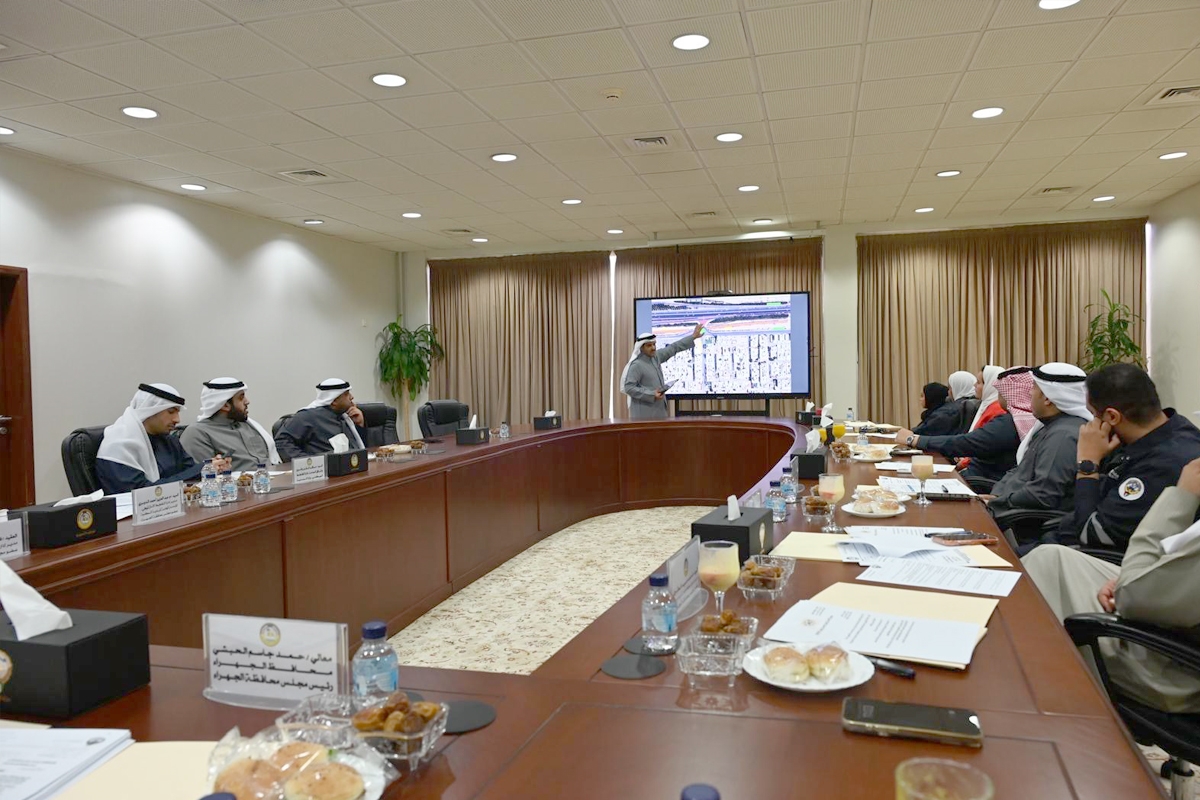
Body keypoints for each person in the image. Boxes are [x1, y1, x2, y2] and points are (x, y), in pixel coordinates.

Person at [1022, 457, 1200, 712]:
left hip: (1175, 669)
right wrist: (1137, 578)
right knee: (1050, 558)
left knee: (1030, 594)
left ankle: (1024, 705)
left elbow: (1132, 596)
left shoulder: (1165, 462)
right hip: (1164, 609)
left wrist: (1181, 497)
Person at [1050, 364, 1200, 553]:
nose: (1091, 424)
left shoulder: (1163, 463)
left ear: (1112, 417)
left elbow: (1091, 533)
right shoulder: (1170, 430)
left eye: (1093, 414)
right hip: (1068, 535)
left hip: (1107, 559)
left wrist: (1087, 465)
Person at [985, 363, 1092, 540]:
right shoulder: (1050, 426)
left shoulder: (1063, 435)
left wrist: (997, 501)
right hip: (1007, 508)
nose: (1029, 393)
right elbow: (1019, 470)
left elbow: (1042, 494)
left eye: (1034, 388)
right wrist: (995, 495)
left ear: (1048, 398)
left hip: (1025, 525)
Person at [895, 366, 1028, 490]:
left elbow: (969, 442)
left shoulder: (1008, 421)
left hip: (981, 481)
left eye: (1001, 389)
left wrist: (915, 439)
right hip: (978, 476)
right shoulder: (1010, 417)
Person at [96, 383, 221, 494]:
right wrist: (201, 470)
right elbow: (142, 493)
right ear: (149, 411)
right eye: (171, 412)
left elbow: (189, 473)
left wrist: (210, 468)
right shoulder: (117, 447)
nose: (177, 419)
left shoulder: (169, 440)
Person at [180, 378, 281, 471]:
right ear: (225, 405)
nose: (247, 402)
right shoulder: (198, 433)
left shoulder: (249, 426)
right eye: (241, 398)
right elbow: (204, 474)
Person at [620, 324, 705, 420]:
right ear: (641, 348)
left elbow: (674, 347)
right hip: (644, 415)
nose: (653, 348)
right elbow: (629, 387)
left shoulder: (655, 357)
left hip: (659, 412)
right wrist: (652, 394)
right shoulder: (637, 365)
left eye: (654, 344)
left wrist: (693, 337)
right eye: (649, 345)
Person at [274, 379, 366, 462]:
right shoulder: (307, 416)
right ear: (334, 401)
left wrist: (359, 425)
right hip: (324, 472)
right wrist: (308, 462)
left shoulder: (344, 416)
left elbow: (358, 448)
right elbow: (282, 442)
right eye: (346, 394)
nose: (352, 397)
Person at [947, 370, 980, 434]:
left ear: (957, 388)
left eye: (950, 388)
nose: (948, 392)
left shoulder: (955, 409)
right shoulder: (980, 402)